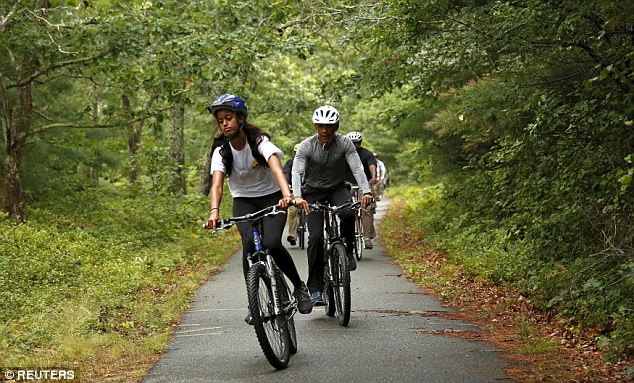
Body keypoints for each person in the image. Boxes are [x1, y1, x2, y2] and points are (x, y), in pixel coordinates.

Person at [203, 94, 312, 320]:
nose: (224, 123)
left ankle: (299, 287)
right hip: (243, 200)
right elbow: (217, 185)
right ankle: (254, 303)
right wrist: (214, 212)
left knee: (271, 243)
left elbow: (276, 168)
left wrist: (288, 195)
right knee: (248, 246)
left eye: (229, 118)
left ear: (241, 118)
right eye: (220, 120)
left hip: (272, 197)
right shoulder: (221, 151)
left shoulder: (259, 142)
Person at [291, 105, 373, 305]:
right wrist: (298, 196)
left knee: (347, 213)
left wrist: (367, 191)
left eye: (329, 126)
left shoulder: (345, 143)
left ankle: (349, 249)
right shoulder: (306, 146)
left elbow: (357, 168)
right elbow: (296, 172)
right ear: (315, 126)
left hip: (337, 188)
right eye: (320, 126)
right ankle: (315, 288)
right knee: (316, 237)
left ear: (336, 126)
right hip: (312, 192)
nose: (325, 130)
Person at [345, 131, 377, 249]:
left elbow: (372, 166)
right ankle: (344, 233)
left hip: (363, 184)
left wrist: (373, 178)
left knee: (367, 208)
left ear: (360, 143)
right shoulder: (343, 154)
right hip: (347, 183)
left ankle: (367, 237)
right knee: (344, 207)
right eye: (352, 143)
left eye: (357, 143)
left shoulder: (367, 154)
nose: (355, 145)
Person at [283, 144, 300, 246]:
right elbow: (285, 173)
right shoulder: (290, 162)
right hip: (294, 191)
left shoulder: (310, 161)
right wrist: (287, 184)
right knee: (293, 211)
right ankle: (292, 235)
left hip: (307, 190)